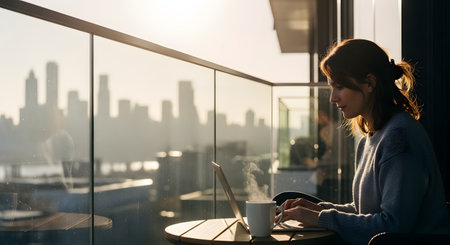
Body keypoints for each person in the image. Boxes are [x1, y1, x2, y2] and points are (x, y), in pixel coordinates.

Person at [276, 39, 450, 245]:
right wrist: (318, 210)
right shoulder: (369, 140)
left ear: (369, 83)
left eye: (339, 87)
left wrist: (321, 218)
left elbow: (393, 227)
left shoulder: (399, 138)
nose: (332, 98)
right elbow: (364, 212)